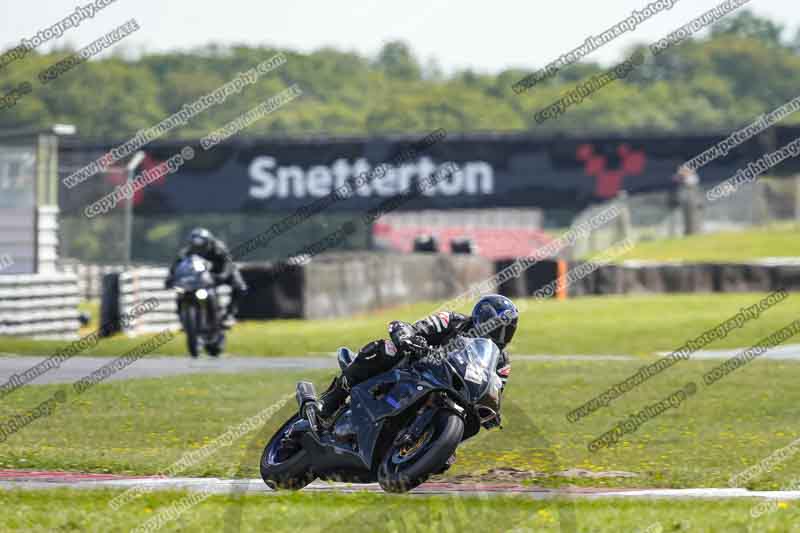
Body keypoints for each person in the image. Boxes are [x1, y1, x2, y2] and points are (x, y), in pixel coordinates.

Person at [317, 294, 518, 425]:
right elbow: (420, 326)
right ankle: (331, 400)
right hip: (416, 369)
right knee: (387, 349)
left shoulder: (502, 363)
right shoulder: (453, 321)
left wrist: (492, 413)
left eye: (507, 329)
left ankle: (424, 449)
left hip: (453, 394)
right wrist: (408, 335)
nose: (501, 333)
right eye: (497, 325)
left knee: (466, 430)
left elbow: (494, 393)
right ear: (480, 317)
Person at [165, 228, 248, 328]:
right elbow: (176, 266)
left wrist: (223, 275)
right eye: (195, 246)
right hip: (202, 276)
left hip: (221, 272)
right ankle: (183, 317)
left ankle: (229, 315)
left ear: (208, 242)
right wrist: (170, 278)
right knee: (181, 291)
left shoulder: (218, 248)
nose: (199, 249)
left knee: (240, 288)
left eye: (201, 246)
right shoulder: (187, 252)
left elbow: (228, 263)